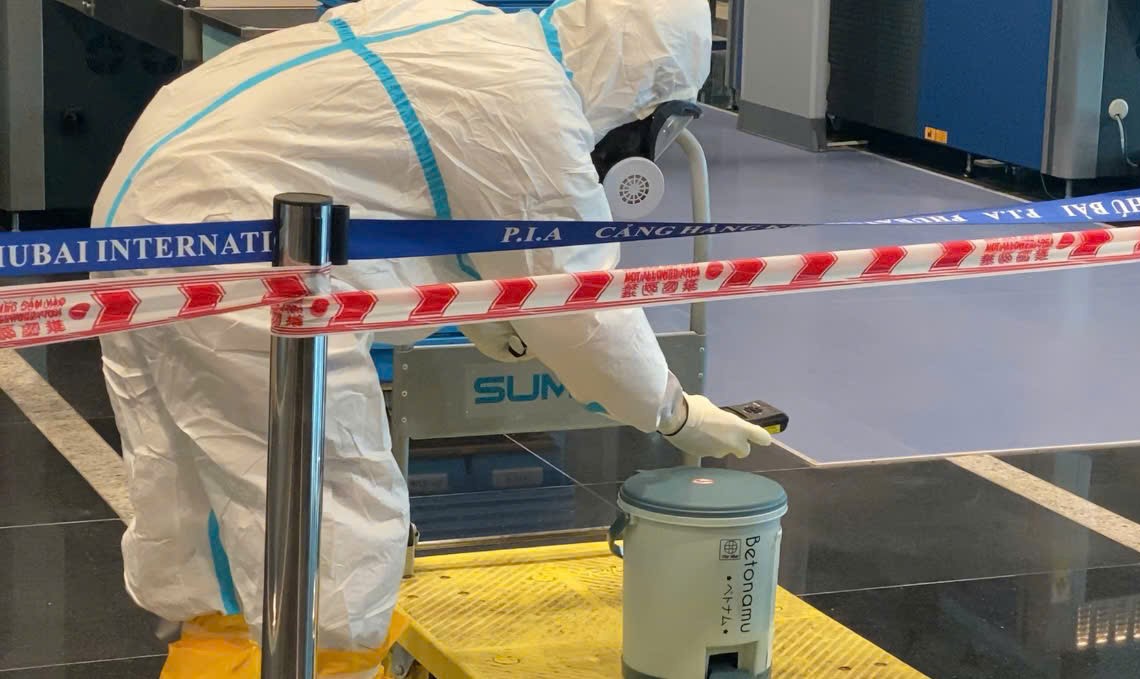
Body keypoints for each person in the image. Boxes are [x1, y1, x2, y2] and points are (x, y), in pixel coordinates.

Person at [92, 0, 771, 675]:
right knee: (330, 508)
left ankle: (218, 655)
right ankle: (326, 665)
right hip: (240, 245)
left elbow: (404, 174)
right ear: (640, 92)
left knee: (192, 488)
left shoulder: (474, 31)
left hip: (143, 208)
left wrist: (486, 314)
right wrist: (675, 413)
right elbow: (584, 311)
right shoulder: (532, 108)